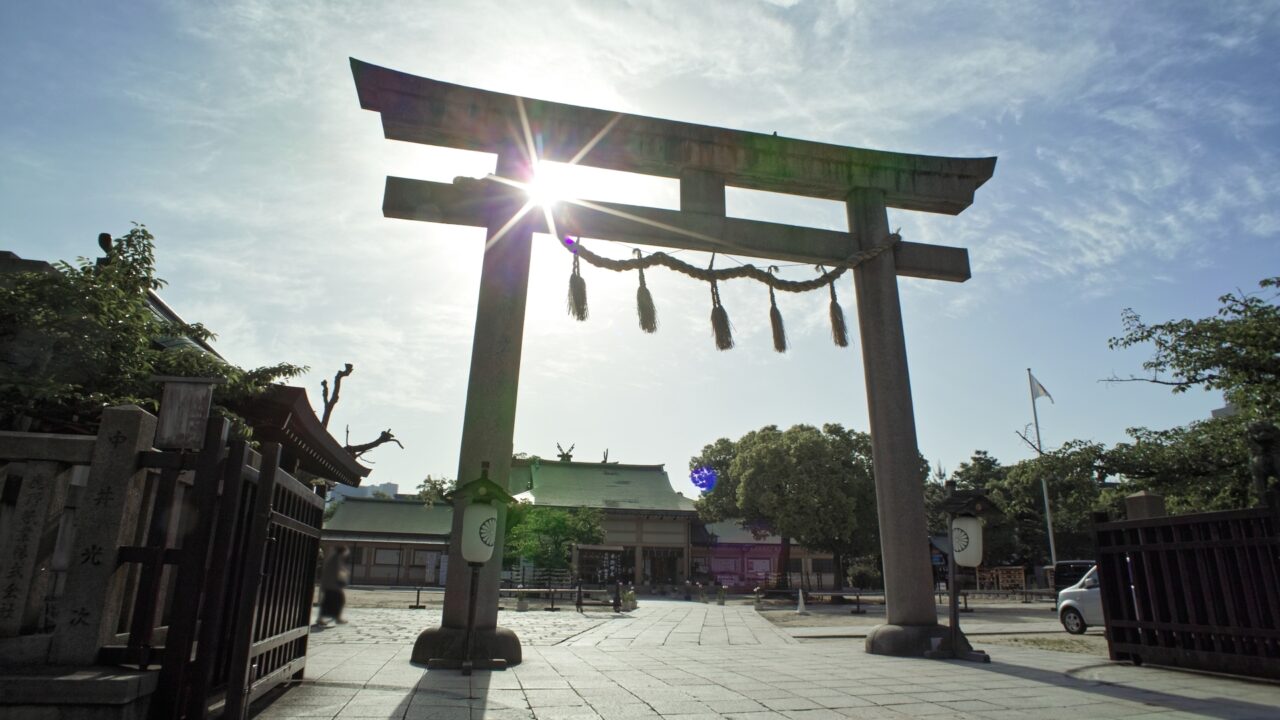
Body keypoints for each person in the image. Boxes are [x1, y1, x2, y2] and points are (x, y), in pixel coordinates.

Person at [316, 546, 350, 626]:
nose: (346, 554)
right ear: (343, 552)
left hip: (330, 585)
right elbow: (337, 572)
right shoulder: (336, 559)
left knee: (329, 602)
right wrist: (344, 574)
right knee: (339, 600)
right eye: (346, 552)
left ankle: (332, 617)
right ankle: (336, 618)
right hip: (332, 585)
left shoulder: (335, 558)